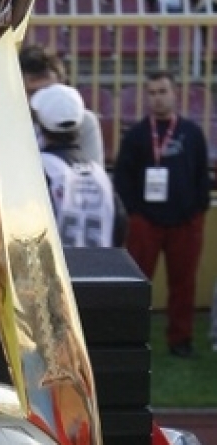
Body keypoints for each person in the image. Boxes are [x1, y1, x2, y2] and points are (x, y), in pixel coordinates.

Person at [113, 69, 210, 358]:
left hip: (186, 221)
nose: (157, 98)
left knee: (183, 284)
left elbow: (202, 175)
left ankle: (180, 340)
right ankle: (130, 338)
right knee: (137, 283)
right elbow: (123, 178)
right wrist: (136, 213)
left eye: (163, 91)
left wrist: (197, 210)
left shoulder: (192, 133)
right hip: (146, 222)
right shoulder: (136, 135)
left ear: (174, 93)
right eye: (152, 93)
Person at [30, 83, 126, 248]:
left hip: (57, 263)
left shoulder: (39, 169)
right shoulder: (100, 176)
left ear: (41, 126)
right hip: (98, 263)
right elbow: (120, 225)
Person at [19, 43, 105, 166]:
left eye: (50, 91)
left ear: (63, 84)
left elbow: (91, 170)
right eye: (33, 92)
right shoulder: (9, 125)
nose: (43, 100)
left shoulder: (85, 122)